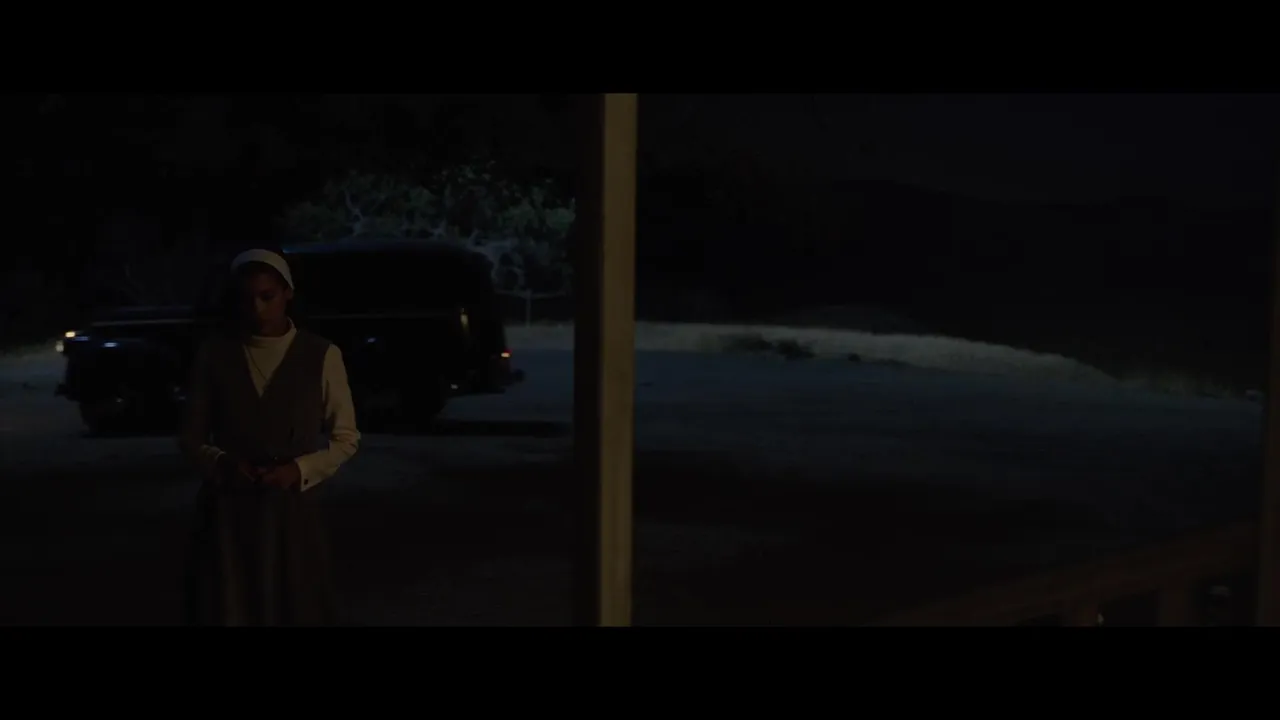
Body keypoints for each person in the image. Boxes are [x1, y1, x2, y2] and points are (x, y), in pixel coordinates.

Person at [179, 248, 360, 626]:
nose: (258, 309)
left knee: (296, 601)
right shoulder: (215, 354)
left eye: (267, 297)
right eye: (247, 299)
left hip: (292, 508)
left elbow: (345, 437)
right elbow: (190, 436)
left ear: (287, 293)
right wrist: (222, 464)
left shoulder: (321, 355)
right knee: (232, 602)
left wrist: (300, 469)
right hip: (229, 510)